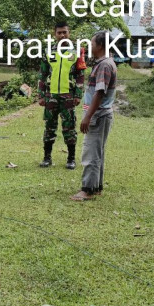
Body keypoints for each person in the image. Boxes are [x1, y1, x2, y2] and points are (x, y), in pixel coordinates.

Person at [71, 30, 117, 201]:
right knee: (98, 152)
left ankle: (87, 190)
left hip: (98, 115)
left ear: (101, 45)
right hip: (101, 114)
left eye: (91, 43)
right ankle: (96, 187)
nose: (89, 46)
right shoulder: (104, 63)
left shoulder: (104, 65)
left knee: (91, 152)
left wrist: (87, 117)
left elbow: (100, 93)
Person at [38, 22, 84, 169]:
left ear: (69, 33)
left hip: (68, 96)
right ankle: (47, 158)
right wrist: (41, 95)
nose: (62, 35)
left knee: (69, 127)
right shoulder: (48, 51)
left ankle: (71, 159)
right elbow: (42, 74)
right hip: (51, 96)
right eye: (59, 32)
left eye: (65, 32)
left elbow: (80, 75)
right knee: (49, 127)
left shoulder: (77, 51)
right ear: (55, 34)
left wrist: (78, 94)